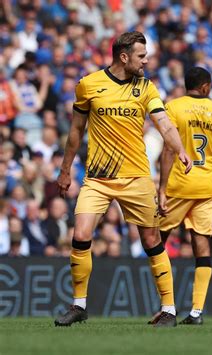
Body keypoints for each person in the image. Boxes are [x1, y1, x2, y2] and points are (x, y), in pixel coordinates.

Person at [54, 31, 192, 328]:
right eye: (142, 56)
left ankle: (168, 308)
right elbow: (76, 132)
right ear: (124, 56)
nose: (147, 60)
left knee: (151, 240)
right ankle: (79, 305)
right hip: (98, 178)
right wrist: (65, 169)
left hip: (136, 177)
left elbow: (164, 123)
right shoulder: (89, 85)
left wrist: (179, 149)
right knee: (80, 233)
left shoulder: (146, 88)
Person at [152, 67, 212, 325]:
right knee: (201, 244)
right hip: (207, 186)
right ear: (206, 87)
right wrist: (210, 180)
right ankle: (196, 312)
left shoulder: (172, 108)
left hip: (178, 184)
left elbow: (168, 152)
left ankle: (168, 307)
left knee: (155, 241)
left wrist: (162, 188)